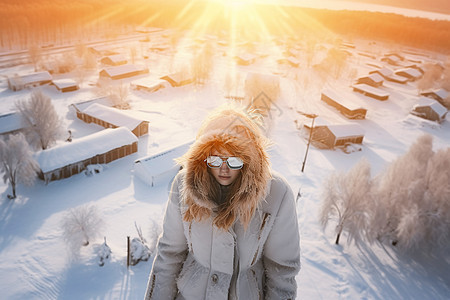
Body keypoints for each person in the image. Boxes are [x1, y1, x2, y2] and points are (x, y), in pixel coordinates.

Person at [145, 105, 301, 300]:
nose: (224, 169)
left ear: (247, 159)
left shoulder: (277, 193)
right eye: (215, 159)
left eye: (234, 160)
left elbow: (282, 272)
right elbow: (169, 255)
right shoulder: (183, 187)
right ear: (203, 158)